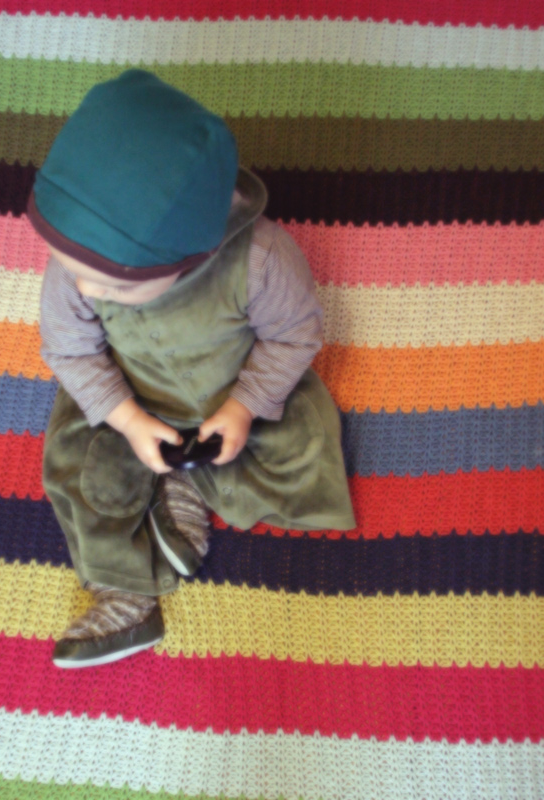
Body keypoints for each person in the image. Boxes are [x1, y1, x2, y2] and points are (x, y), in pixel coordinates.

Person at [30, 69, 355, 668]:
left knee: (303, 451)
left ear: (190, 256)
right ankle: (124, 591)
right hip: (127, 392)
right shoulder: (78, 268)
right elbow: (69, 349)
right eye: (65, 264)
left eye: (107, 285)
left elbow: (296, 334)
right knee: (76, 468)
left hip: (234, 392)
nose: (81, 286)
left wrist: (242, 407)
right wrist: (126, 419)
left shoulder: (258, 259)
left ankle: (180, 491)